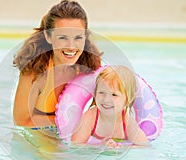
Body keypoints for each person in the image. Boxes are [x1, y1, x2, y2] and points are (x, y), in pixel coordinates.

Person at [13, 0, 102, 128]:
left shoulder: (90, 64)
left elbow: (99, 112)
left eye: (78, 38)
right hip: (37, 133)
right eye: (62, 38)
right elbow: (22, 122)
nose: (71, 47)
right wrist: (68, 120)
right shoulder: (34, 69)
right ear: (48, 37)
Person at [71, 66, 150, 147]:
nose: (106, 99)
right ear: (95, 93)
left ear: (128, 99)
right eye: (102, 92)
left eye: (114, 95)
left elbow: (144, 146)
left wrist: (120, 148)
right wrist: (100, 146)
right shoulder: (90, 117)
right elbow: (75, 144)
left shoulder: (127, 122)